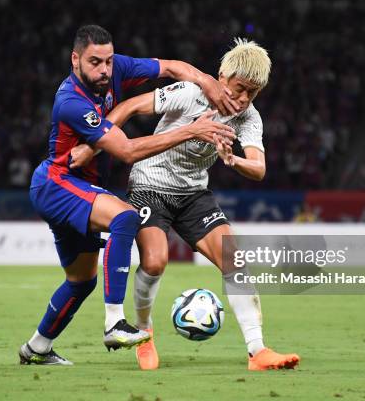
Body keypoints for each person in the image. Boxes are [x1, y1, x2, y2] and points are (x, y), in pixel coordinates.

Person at [73, 38, 300, 371]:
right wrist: (94, 146)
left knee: (233, 258)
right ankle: (144, 333)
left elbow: (259, 168)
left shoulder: (249, 118)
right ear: (223, 77)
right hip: (150, 185)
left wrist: (232, 160)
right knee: (155, 262)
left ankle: (258, 351)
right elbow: (130, 107)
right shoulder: (191, 93)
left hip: (193, 194)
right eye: (239, 89)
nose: (243, 98)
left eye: (252, 93)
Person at [19, 25, 236, 365]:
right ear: (75, 59)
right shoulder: (71, 102)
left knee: (81, 281)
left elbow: (170, 67)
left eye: (107, 61)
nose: (104, 70)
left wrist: (206, 81)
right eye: (95, 62)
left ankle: (37, 347)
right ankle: (114, 322)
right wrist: (191, 130)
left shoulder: (116, 66)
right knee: (125, 217)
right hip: (57, 183)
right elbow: (129, 151)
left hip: (80, 188)